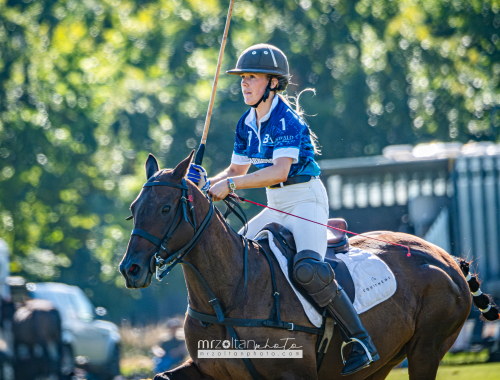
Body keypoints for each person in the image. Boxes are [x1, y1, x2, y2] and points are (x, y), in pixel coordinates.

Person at [187, 43, 378, 375]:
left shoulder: (285, 119)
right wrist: (201, 185)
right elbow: (235, 172)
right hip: (275, 204)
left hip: (306, 201)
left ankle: (360, 340)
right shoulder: (246, 122)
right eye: (242, 78)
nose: (244, 84)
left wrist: (228, 187)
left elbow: (280, 171)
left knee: (307, 269)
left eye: (252, 77)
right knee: (233, 261)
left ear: (273, 83)